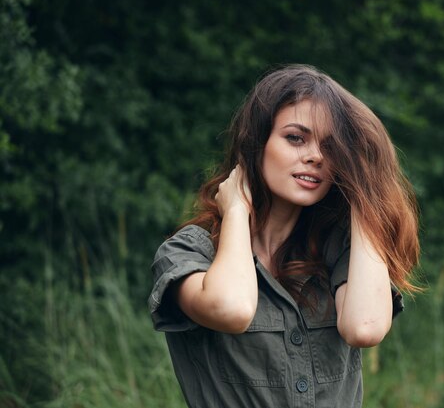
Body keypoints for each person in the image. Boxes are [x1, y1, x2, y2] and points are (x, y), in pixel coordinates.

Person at [148, 64, 420, 408]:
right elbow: (231, 309)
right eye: (295, 138)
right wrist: (235, 210)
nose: (315, 156)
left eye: (331, 147)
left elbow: (364, 328)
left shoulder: (339, 250)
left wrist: (364, 191)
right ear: (256, 143)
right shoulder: (190, 252)